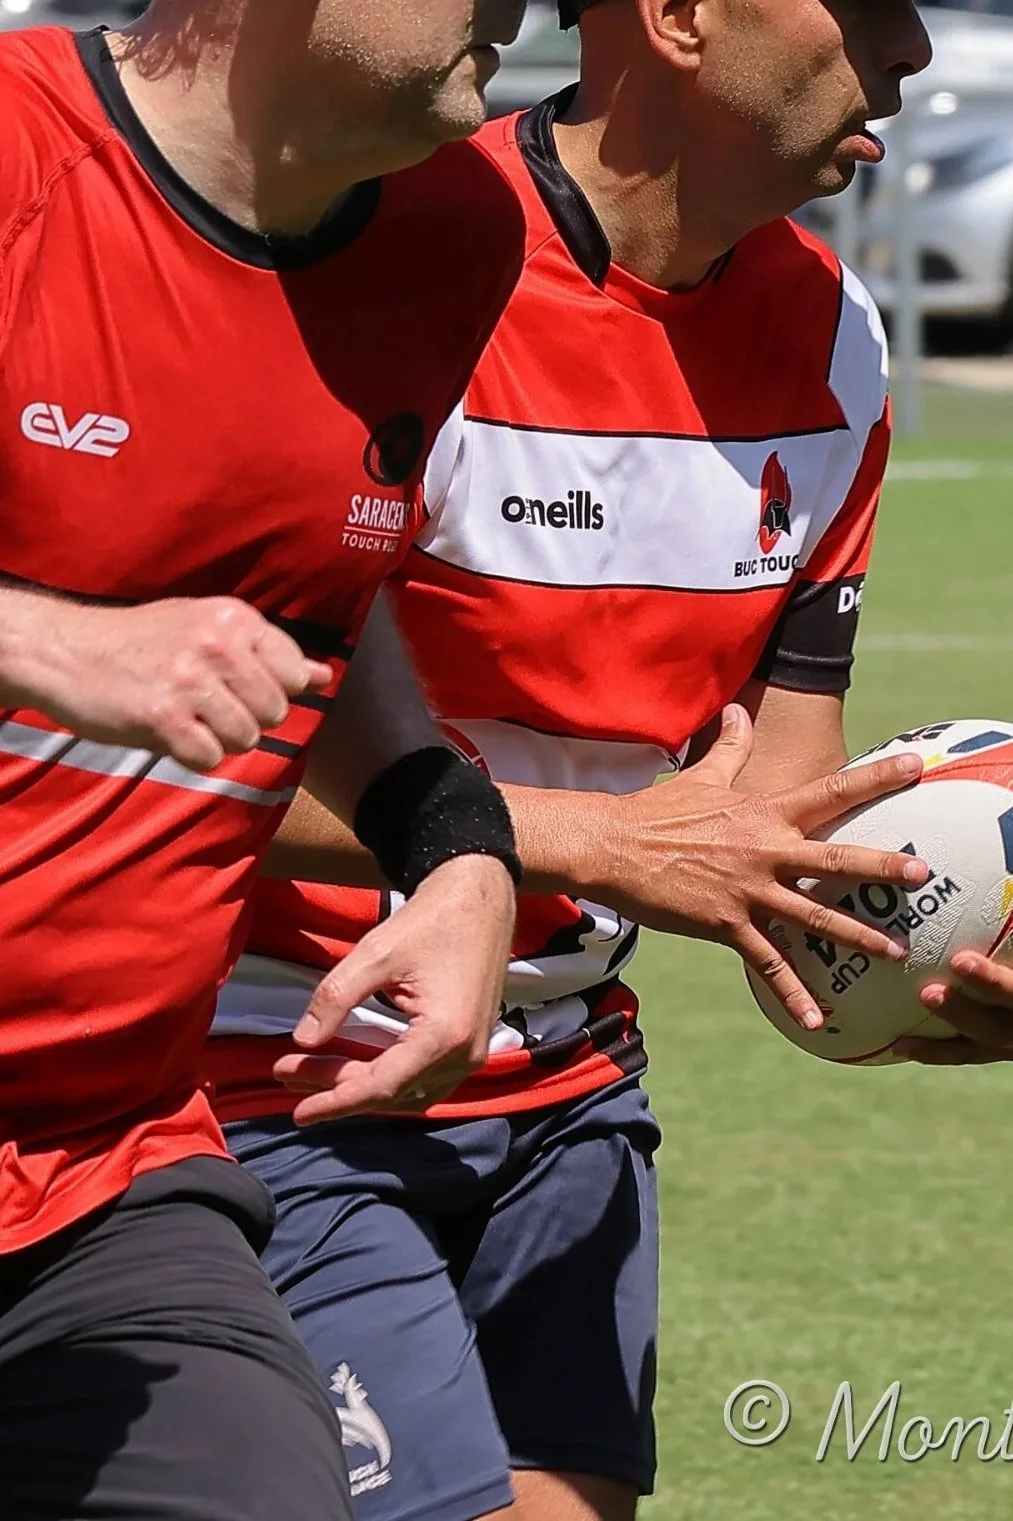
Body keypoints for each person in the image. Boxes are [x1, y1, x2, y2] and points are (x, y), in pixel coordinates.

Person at [206, 1, 934, 1519]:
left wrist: (922, 964)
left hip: (574, 1090)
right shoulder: (384, 262)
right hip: (280, 1072)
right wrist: (597, 845)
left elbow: (766, 813)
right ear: (674, 19)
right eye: (864, 4)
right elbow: (195, 739)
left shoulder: (839, 338)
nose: (912, 49)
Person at [0, 3, 536, 1518]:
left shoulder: (452, 230)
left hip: (102, 1174)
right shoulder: (18, 153)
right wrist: (43, 642)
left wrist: (452, 839)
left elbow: (320, 567)